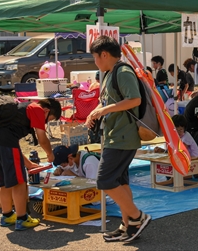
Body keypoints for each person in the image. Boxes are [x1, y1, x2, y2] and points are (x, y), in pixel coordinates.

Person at [86, 36, 151, 242]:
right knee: (120, 182)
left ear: (104, 54)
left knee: (105, 180)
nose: (95, 61)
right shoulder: (108, 73)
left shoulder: (122, 71)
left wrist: (104, 109)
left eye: (95, 57)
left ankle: (137, 217)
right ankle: (128, 225)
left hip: (124, 136)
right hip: (114, 134)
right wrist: (95, 112)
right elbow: (107, 101)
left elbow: (134, 99)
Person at [0, 98, 61, 231]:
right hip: (4, 141)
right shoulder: (37, 109)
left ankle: (7, 216)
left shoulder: (18, 110)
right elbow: (42, 138)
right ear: (47, 110)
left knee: (4, 181)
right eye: (49, 119)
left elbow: (13, 147)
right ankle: (22, 218)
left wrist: (28, 163)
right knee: (19, 182)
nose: (46, 122)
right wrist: (50, 154)